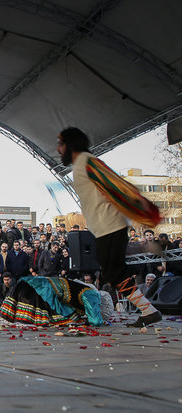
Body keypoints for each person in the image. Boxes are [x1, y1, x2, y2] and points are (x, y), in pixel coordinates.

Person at [57, 127, 162, 327]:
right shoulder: (80, 164)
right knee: (112, 269)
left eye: (61, 144)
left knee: (113, 273)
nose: (58, 149)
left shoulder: (88, 161)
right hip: (104, 227)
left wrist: (141, 207)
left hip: (110, 225)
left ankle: (149, 311)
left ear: (70, 144)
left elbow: (114, 185)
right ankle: (140, 249)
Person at [0, 276, 114, 327]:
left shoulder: (84, 289)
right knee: (69, 318)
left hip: (34, 284)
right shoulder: (92, 295)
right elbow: (95, 319)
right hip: (41, 289)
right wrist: (99, 321)